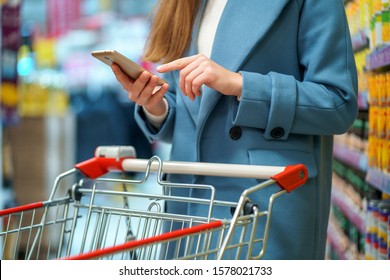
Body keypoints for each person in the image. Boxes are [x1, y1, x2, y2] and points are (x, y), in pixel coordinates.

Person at [111, 0, 358, 260]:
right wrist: (155, 106)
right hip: (188, 203)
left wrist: (241, 85)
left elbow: (338, 103)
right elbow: (194, 117)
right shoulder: (180, 6)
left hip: (262, 204)